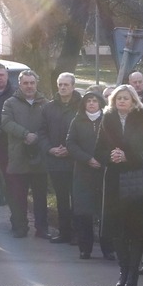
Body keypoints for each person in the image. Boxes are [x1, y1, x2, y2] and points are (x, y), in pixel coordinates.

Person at [99, 83, 143, 286]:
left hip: (135, 178)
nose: (122, 101)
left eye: (126, 98)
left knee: (136, 229)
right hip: (114, 177)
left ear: (134, 100)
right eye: (118, 98)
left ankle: (133, 274)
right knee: (117, 228)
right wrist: (110, 156)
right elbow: (99, 148)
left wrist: (128, 157)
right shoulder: (107, 118)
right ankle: (123, 271)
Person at [1, 69, 51, 239]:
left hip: (40, 157)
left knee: (40, 196)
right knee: (18, 196)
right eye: (25, 83)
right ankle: (19, 226)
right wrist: (25, 134)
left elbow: (50, 124)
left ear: (36, 84)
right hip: (18, 156)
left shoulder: (46, 103)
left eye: (32, 83)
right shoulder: (10, 103)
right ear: (20, 84)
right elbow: (6, 122)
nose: (29, 86)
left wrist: (37, 136)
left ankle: (42, 228)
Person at [42, 73, 85, 243]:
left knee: (77, 198)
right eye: (60, 84)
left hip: (76, 161)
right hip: (56, 161)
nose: (62, 88)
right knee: (61, 198)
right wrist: (50, 149)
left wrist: (71, 150)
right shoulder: (48, 108)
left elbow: (87, 133)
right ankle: (64, 231)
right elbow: (42, 132)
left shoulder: (82, 107)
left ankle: (78, 233)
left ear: (73, 86)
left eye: (66, 84)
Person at [66, 89, 107, 257]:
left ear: (100, 103)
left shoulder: (107, 120)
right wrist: (87, 159)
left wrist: (102, 160)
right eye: (88, 100)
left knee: (105, 212)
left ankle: (108, 249)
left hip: (103, 172)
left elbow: (114, 142)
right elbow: (71, 143)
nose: (91, 103)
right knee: (83, 212)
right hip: (83, 171)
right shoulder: (77, 120)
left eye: (94, 100)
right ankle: (85, 248)